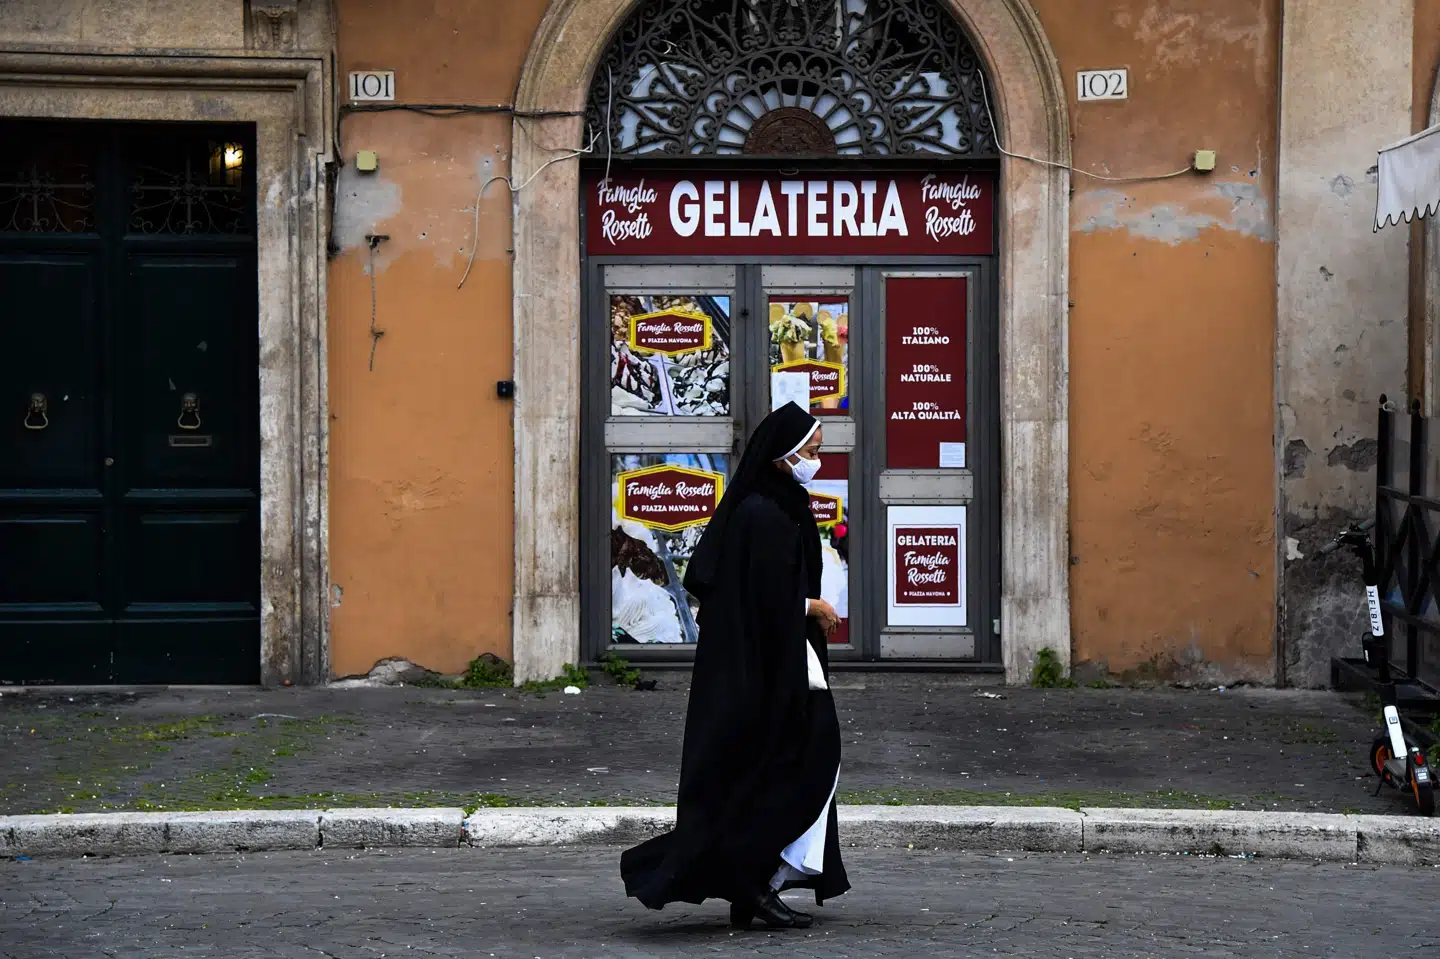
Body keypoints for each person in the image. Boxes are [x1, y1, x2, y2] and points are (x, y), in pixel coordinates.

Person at [620, 401, 850, 930]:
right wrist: (811, 607)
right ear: (784, 455)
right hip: (760, 667)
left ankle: (757, 882)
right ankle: (754, 883)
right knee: (803, 755)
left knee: (781, 763)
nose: (816, 461)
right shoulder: (762, 514)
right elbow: (755, 596)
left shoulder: (779, 504)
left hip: (775, 659)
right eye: (811, 452)